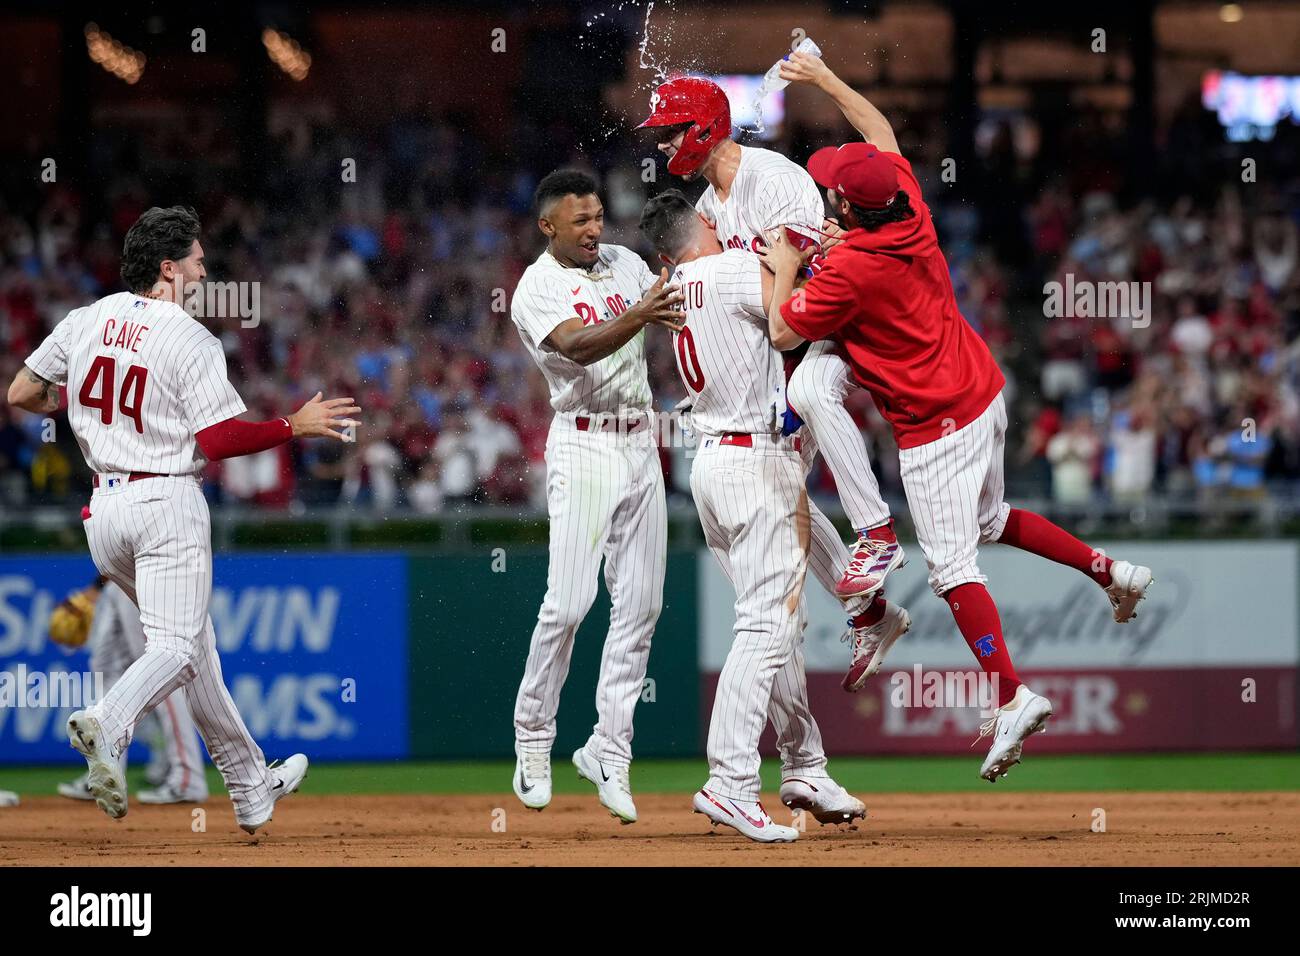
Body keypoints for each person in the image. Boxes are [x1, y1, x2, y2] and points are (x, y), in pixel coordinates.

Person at [763, 56, 1154, 781]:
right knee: (991, 518)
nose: (825, 191)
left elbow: (784, 332)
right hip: (981, 393)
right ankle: (1109, 571)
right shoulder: (907, 206)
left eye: (833, 193)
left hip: (935, 426)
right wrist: (824, 78)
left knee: (951, 568)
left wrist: (787, 259)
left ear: (848, 212)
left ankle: (1010, 696)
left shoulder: (848, 269)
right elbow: (878, 128)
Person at [7, 205, 359, 829]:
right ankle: (107, 724)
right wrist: (293, 425)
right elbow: (220, 442)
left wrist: (92, 415)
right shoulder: (189, 337)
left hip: (104, 511)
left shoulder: (86, 319)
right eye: (197, 261)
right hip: (165, 501)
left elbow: (23, 394)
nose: (204, 271)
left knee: (199, 650)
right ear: (167, 268)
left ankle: (251, 787)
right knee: (176, 647)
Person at [641, 190, 901, 840]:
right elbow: (796, 321)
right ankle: (729, 783)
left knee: (782, 623)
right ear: (702, 225)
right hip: (753, 463)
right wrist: (800, 256)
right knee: (766, 627)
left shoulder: (674, 286)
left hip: (716, 465)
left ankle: (804, 764)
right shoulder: (728, 269)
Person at [638, 76, 906, 690]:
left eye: (671, 131)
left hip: (834, 332)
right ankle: (869, 611)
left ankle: (876, 541)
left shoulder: (774, 180)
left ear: (704, 126)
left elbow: (816, 290)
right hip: (785, 347)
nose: (662, 145)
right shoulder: (707, 208)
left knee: (783, 481)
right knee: (783, 498)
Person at [508, 170, 683, 824]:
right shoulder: (536, 287)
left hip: (641, 440)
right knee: (570, 602)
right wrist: (641, 312)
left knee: (641, 604)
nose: (593, 229)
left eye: (597, 216)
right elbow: (578, 348)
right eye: (578, 220)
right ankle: (532, 735)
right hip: (583, 445)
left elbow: (677, 305)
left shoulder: (627, 263)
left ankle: (610, 749)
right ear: (547, 225)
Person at [52, 577, 208, 805]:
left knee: (159, 670)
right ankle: (105, 771)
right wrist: (98, 586)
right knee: (105, 668)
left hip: (144, 579)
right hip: (118, 583)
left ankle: (188, 778)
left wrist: (98, 586)